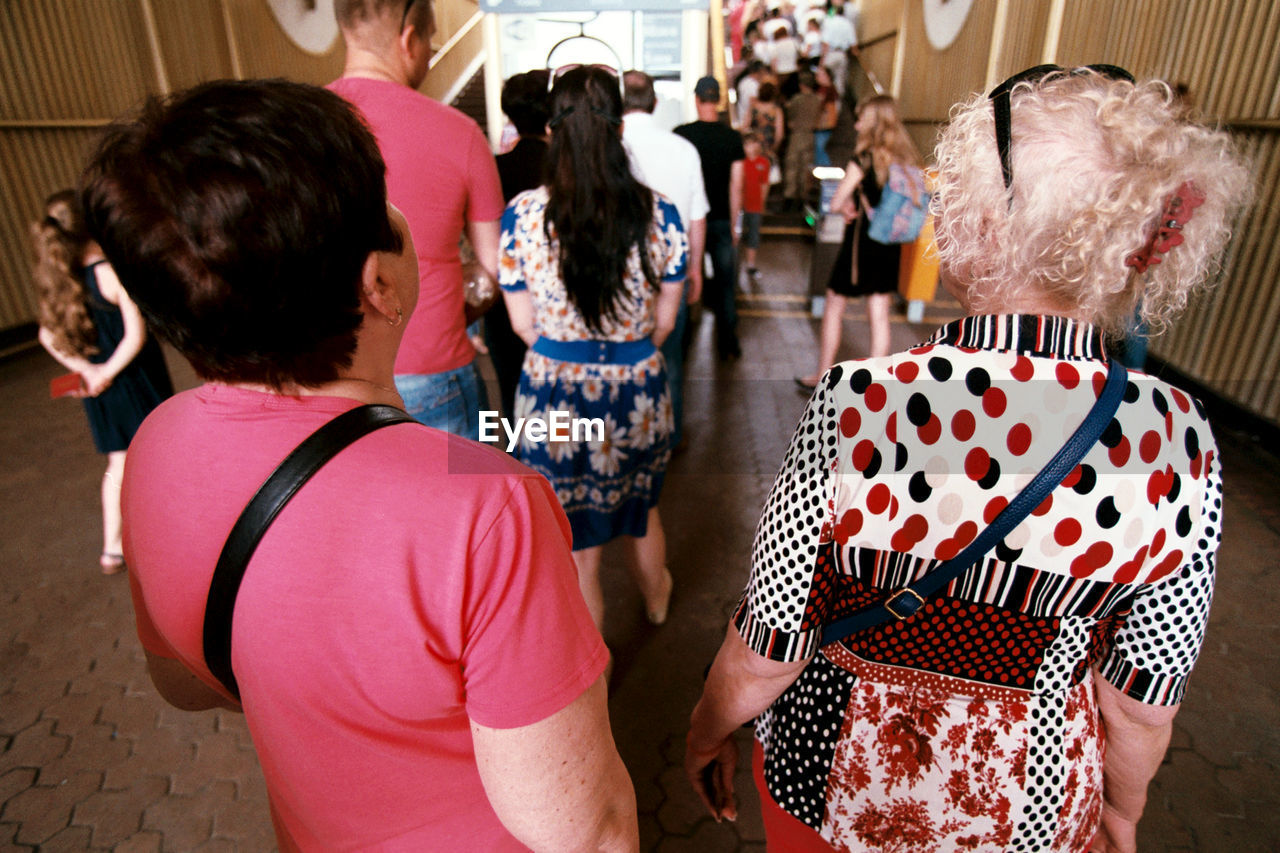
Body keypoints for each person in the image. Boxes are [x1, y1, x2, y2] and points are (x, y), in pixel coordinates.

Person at [686, 66, 1250, 852]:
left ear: (982, 215)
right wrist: (1119, 809)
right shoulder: (1177, 439)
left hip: (827, 788)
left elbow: (769, 647)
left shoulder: (860, 403)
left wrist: (707, 729)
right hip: (1032, 812)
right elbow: (1138, 701)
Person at [85, 78, 637, 852]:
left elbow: (180, 683)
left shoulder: (154, 446)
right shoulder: (492, 507)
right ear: (377, 284)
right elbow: (587, 827)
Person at [499, 66, 686, 633]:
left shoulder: (524, 216)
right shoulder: (661, 213)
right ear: (619, 129)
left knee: (578, 543)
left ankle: (595, 672)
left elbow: (521, 324)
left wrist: (568, 353)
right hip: (637, 389)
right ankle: (656, 601)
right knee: (640, 509)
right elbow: (666, 321)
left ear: (552, 131)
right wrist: (623, 352)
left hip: (553, 396)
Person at [329, 0, 504, 441]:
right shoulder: (460, 132)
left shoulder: (293, 128)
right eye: (430, 40)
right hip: (435, 363)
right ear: (410, 37)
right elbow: (492, 267)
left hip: (324, 374)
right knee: (463, 503)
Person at [30, 190, 173, 575]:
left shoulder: (63, 279)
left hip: (101, 390)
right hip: (132, 381)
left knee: (121, 462)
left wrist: (88, 371)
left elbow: (47, 336)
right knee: (148, 453)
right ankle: (138, 539)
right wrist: (108, 372)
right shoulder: (109, 273)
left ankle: (121, 543)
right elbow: (135, 336)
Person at [797, 95, 919, 388]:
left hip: (861, 245)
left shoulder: (863, 158)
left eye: (861, 117)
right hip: (889, 242)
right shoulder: (905, 156)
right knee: (879, 311)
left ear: (873, 121)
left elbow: (837, 200)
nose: (857, 123)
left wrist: (847, 206)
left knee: (835, 303)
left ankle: (822, 374)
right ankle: (877, 379)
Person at [622, 69, 708, 450]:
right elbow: (697, 218)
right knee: (670, 356)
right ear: (655, 104)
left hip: (622, 276)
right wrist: (695, 269)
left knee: (624, 356)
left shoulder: (609, 145)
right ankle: (668, 436)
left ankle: (626, 433)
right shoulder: (683, 149)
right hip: (672, 271)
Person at [489, 68, 552, 418]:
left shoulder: (494, 168)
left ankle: (520, 467)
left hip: (503, 303)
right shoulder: (564, 171)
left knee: (513, 395)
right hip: (554, 307)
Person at [676, 76, 746, 360]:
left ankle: (683, 339)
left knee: (685, 279)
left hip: (688, 220)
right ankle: (728, 342)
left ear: (696, 99)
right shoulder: (731, 138)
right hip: (718, 219)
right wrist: (733, 223)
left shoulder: (681, 134)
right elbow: (737, 185)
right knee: (726, 282)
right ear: (718, 100)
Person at [783, 70, 822, 209]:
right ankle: (803, 198)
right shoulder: (818, 100)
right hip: (811, 136)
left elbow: (790, 117)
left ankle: (789, 197)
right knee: (806, 167)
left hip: (797, 135)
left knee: (792, 166)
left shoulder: (796, 100)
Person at [739, 132, 772, 283]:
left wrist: (762, 202)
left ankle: (751, 265)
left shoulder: (763, 162)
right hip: (740, 205)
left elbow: (764, 183)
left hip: (755, 205)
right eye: (747, 144)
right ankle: (736, 265)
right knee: (737, 235)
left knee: (753, 235)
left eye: (753, 143)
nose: (750, 147)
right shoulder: (739, 162)